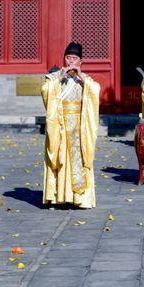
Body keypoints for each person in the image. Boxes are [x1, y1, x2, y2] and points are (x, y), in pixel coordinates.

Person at [41, 42, 100, 209]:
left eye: (75, 58)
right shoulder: (53, 78)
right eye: (68, 58)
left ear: (80, 62)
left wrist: (81, 78)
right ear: (64, 59)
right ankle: (58, 196)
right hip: (59, 124)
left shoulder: (86, 80)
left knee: (79, 158)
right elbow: (45, 91)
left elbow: (95, 91)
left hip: (79, 127)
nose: (71, 61)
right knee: (59, 157)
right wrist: (59, 78)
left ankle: (79, 198)